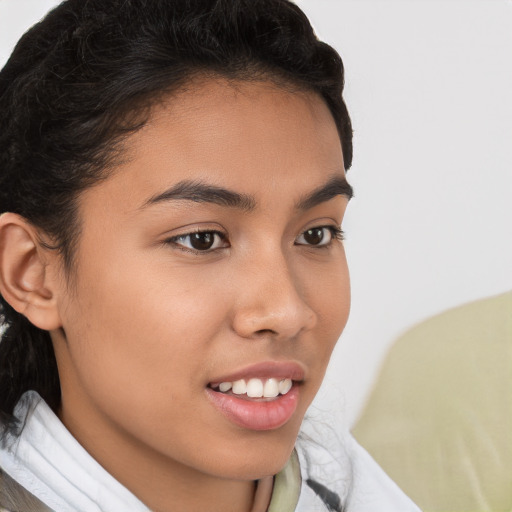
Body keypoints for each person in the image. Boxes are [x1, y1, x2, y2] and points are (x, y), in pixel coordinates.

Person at [0, 1, 420, 510]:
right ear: (32, 274)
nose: (286, 311)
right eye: (201, 239)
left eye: (315, 234)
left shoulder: (355, 485)